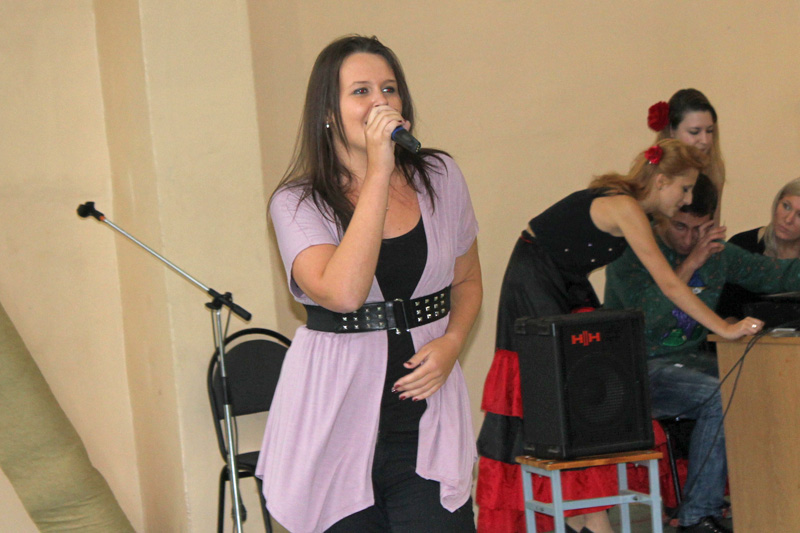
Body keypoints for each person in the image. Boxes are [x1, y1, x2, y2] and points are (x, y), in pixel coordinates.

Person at [255, 35, 482, 533]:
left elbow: (467, 280)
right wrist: (379, 170)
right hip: (334, 425)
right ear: (328, 113)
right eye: (361, 91)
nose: (380, 102)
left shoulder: (440, 176)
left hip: (422, 425)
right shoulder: (296, 203)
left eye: (389, 89)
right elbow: (343, 294)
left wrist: (453, 342)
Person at [476, 139, 762, 533]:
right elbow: (670, 285)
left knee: (586, 393)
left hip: (565, 282)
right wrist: (726, 328)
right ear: (661, 181)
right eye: (684, 188)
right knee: (560, 395)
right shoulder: (626, 208)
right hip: (536, 278)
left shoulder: (631, 207)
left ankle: (587, 514)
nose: (687, 198)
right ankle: (583, 515)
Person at [605, 174, 800, 532]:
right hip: (636, 369)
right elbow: (645, 319)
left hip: (691, 363)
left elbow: (777, 276)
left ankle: (768, 501)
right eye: (681, 227)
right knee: (722, 393)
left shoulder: (716, 253)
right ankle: (696, 515)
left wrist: (702, 256)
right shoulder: (630, 254)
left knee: (761, 379)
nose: (690, 238)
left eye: (700, 229)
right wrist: (689, 265)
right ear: (662, 218)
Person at [717, 176, 800, 319]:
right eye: (786, 206)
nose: (788, 219)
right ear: (776, 203)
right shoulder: (742, 244)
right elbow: (722, 310)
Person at [648, 89, 725, 221]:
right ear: (672, 130)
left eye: (709, 131)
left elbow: (713, 224)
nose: (705, 140)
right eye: (694, 132)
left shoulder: (715, 169)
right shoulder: (654, 167)